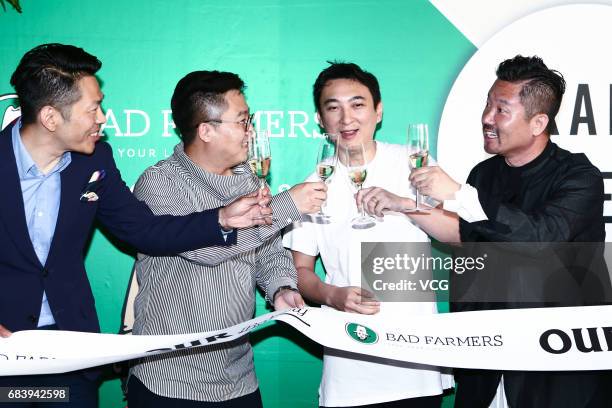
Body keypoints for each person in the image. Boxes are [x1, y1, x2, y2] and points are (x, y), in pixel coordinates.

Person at [0, 43, 274, 407]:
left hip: (71, 352)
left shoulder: (94, 160)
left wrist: (221, 218)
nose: (103, 119)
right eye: (93, 108)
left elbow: (145, 230)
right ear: (51, 118)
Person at [358, 55, 611, 408]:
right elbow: (463, 235)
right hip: (487, 359)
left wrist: (459, 194)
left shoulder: (579, 177)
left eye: (501, 110)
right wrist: (405, 205)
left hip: (555, 367)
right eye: (487, 105)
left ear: (538, 122)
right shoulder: (484, 174)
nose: (487, 118)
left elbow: (539, 238)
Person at [127, 70, 327, 407]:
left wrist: (281, 287)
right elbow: (204, 247)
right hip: (168, 380)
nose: (250, 132)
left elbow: (268, 251)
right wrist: (288, 204)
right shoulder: (159, 182)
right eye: (242, 121)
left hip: (238, 379)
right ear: (206, 130)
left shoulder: (248, 179)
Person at [283, 62, 453, 408]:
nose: (346, 119)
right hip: (350, 366)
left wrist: (405, 205)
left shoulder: (414, 162)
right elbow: (298, 271)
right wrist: (332, 295)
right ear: (320, 119)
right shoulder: (314, 184)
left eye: (357, 104)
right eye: (334, 107)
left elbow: (459, 235)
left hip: (415, 362)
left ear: (378, 111)